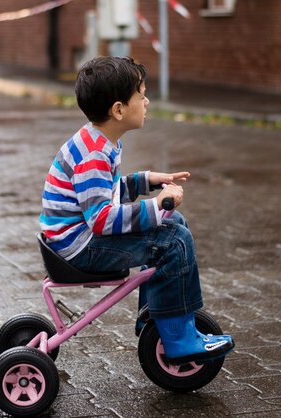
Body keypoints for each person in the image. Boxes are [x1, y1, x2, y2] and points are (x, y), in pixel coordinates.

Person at [39, 56, 234, 364]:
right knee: (173, 241)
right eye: (141, 96)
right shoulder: (94, 155)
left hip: (73, 238)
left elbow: (107, 192)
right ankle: (180, 340)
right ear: (118, 110)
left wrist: (147, 181)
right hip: (79, 248)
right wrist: (157, 206)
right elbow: (101, 219)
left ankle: (156, 314)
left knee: (175, 222)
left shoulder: (98, 140)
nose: (146, 102)